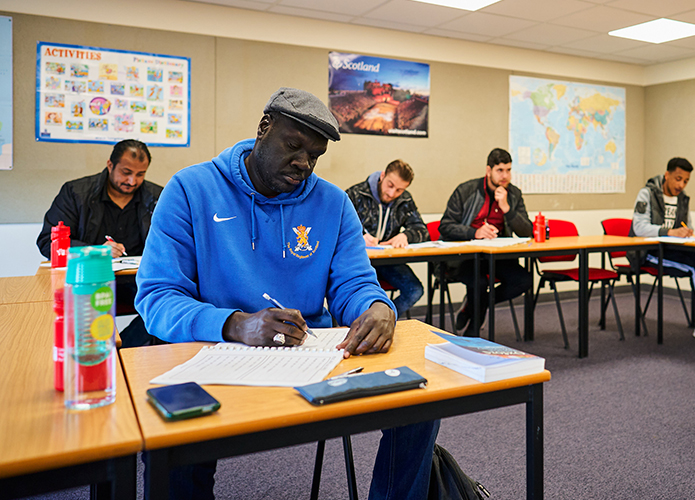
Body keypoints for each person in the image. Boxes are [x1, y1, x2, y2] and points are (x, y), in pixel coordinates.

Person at [135, 87, 439, 500]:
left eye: (314, 156)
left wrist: (377, 306)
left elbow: (352, 282)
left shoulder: (332, 203)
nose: (303, 164)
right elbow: (158, 296)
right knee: (171, 432)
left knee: (418, 405)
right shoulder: (190, 189)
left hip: (310, 358)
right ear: (264, 129)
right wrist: (236, 324)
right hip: (212, 353)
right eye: (293, 146)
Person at [37, 139, 162, 347]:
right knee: (78, 316)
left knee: (166, 303)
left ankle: (122, 350)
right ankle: (100, 353)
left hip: (138, 281)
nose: (132, 181)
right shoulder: (76, 193)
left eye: (140, 174)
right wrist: (95, 251)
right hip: (88, 280)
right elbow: (46, 242)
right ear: (110, 165)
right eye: (126, 172)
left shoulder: (157, 197)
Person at [628, 157, 695, 342]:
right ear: (667, 175)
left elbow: (687, 225)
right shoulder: (647, 193)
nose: (681, 184)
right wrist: (670, 232)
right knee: (693, 266)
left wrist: (687, 232)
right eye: (678, 178)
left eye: (686, 181)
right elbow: (639, 228)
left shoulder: (682, 199)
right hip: (647, 252)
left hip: (671, 251)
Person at [438, 148, 533, 337]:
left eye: (508, 170)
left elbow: (527, 232)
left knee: (524, 281)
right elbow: (445, 226)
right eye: (500, 170)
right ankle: (473, 331)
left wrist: (507, 209)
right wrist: (475, 232)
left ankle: (472, 307)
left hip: (497, 256)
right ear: (488, 170)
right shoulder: (466, 190)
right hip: (465, 257)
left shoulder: (513, 194)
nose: (505, 175)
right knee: (479, 284)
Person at [346, 159, 429, 318]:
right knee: (355, 295)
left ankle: (381, 320)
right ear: (382, 176)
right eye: (390, 185)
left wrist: (406, 235)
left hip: (388, 261)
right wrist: (358, 237)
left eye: (399, 190)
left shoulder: (405, 199)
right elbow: (337, 226)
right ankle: (363, 323)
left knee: (415, 290)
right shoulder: (355, 194)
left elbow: (422, 230)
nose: (392, 194)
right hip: (358, 260)